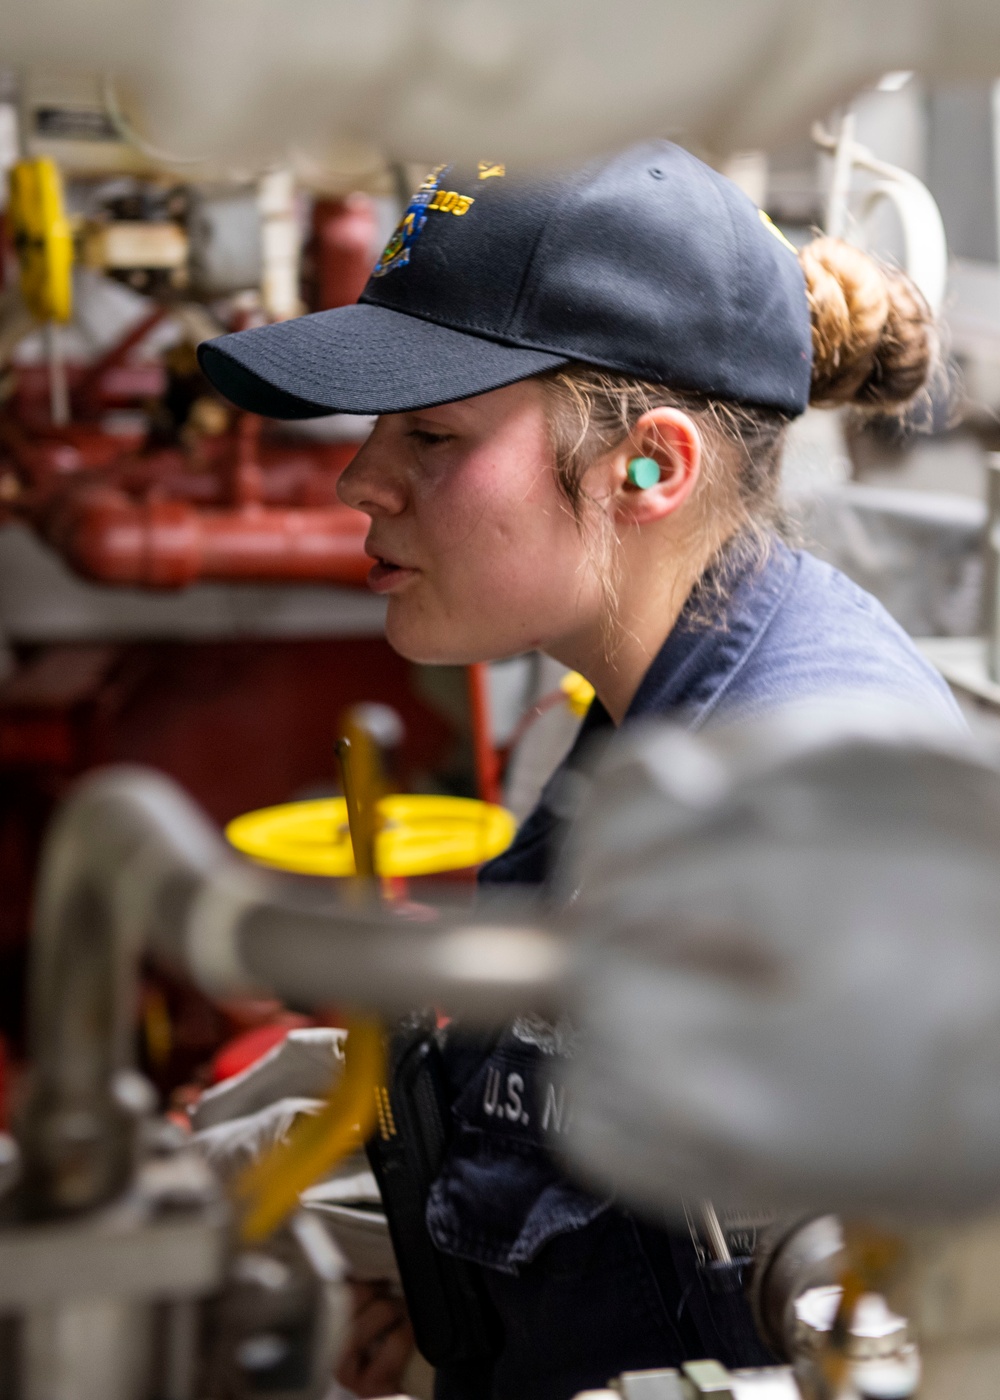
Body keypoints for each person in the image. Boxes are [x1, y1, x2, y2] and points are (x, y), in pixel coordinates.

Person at [199, 142, 964, 1400]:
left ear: (650, 467)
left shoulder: (805, 825)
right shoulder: (650, 709)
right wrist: (465, 1309)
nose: (358, 478)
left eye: (431, 433)